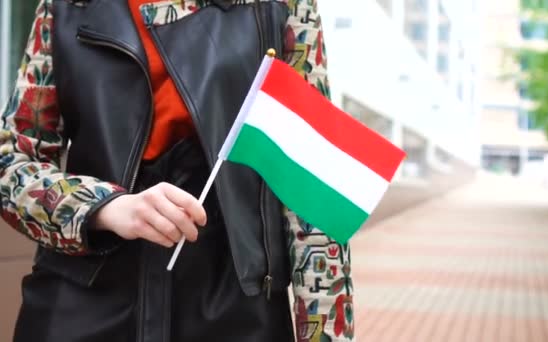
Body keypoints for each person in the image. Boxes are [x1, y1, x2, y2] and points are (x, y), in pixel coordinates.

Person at [0, 0, 354, 341]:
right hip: (83, 306)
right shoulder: (66, 6)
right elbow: (11, 161)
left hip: (233, 309)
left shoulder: (279, 5)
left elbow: (314, 190)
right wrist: (102, 206)